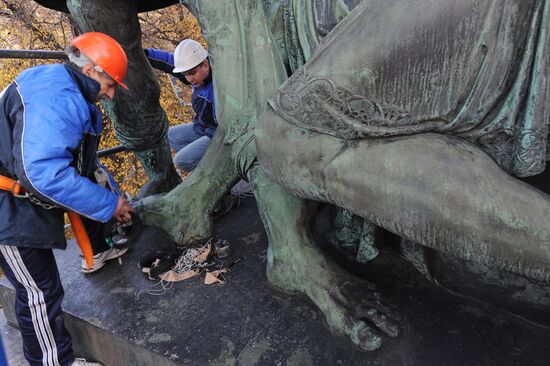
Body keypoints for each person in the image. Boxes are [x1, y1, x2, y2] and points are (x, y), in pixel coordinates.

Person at [0, 32, 133, 366]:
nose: (111, 93)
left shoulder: (61, 87)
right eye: (111, 83)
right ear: (91, 72)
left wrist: (111, 199)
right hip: (6, 206)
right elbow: (43, 174)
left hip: (16, 200)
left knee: (44, 288)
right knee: (38, 294)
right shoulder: (59, 100)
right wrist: (108, 205)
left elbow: (83, 164)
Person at [145, 39, 217, 171]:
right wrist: (145, 54)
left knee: (181, 160)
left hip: (216, 134)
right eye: (185, 74)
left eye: (192, 73)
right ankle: (205, 164)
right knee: (171, 135)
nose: (189, 79)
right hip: (203, 126)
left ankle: (213, 171)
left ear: (205, 65)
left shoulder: (218, 87)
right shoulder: (197, 73)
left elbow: (222, 126)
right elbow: (169, 61)